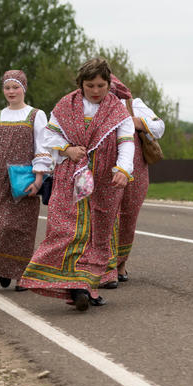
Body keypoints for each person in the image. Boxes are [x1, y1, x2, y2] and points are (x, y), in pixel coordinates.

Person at [17, 58, 135, 311]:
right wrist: (67, 149)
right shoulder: (65, 105)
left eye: (101, 85)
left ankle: (86, 286)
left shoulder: (118, 111)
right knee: (68, 229)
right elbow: (49, 135)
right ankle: (73, 284)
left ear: (109, 83)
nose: (95, 91)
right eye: (90, 85)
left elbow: (126, 142)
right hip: (71, 175)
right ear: (80, 84)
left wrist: (124, 169)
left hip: (105, 179)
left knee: (97, 233)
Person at [0, 70, 51, 290]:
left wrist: (38, 179)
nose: (11, 91)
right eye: (7, 87)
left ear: (23, 89)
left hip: (23, 181)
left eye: (15, 87)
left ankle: (21, 275)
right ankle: (2, 267)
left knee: (21, 228)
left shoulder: (36, 115)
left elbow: (42, 146)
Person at [103, 77, 166, 289]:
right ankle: (106, 267)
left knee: (128, 216)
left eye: (106, 85)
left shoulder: (132, 103)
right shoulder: (90, 106)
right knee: (106, 215)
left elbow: (159, 127)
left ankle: (120, 264)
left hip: (135, 170)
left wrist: (133, 121)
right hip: (103, 170)